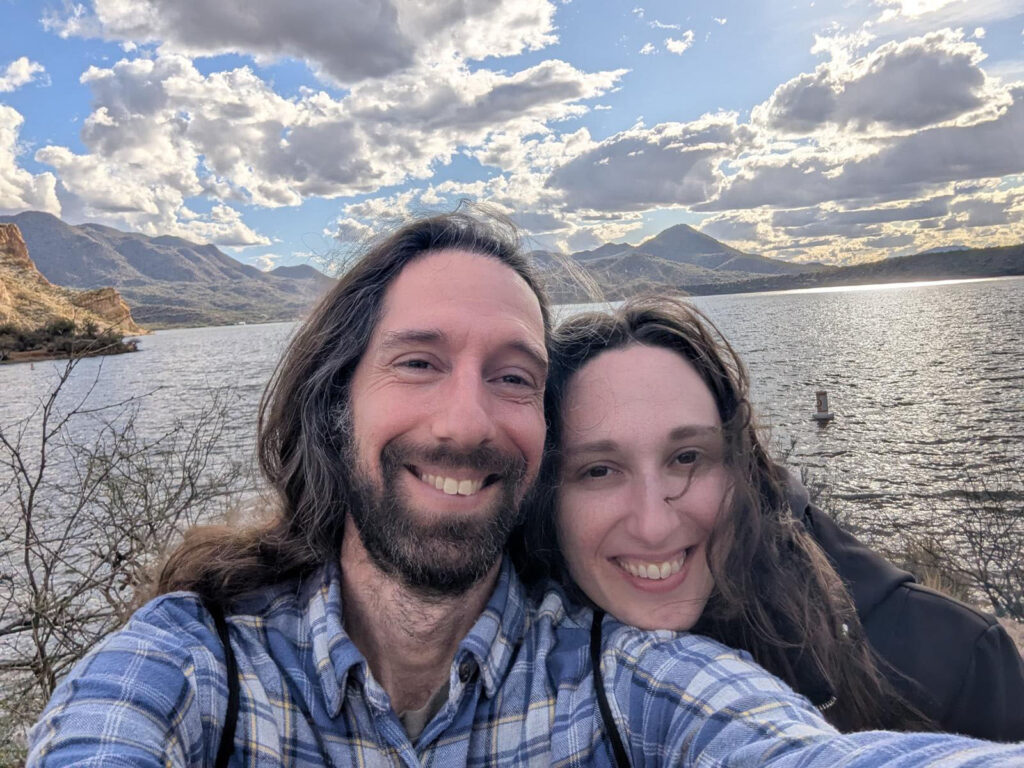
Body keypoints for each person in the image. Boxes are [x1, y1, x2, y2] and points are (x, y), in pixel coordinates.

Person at [28, 212, 1024, 766]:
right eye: (418, 362)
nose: (466, 421)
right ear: (335, 405)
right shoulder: (196, 662)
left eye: (511, 375)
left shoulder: (619, 677)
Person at [519, 292, 1024, 741]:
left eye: (688, 458)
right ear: (547, 498)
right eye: (600, 470)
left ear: (742, 469)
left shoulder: (954, 661)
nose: (653, 524)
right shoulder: (508, 684)